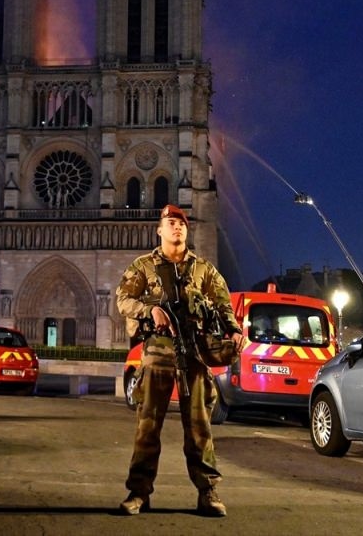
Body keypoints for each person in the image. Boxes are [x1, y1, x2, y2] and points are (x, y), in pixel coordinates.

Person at [116, 204, 246, 517]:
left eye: (182, 224)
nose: (177, 228)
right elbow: (123, 299)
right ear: (159, 230)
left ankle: (208, 492)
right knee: (148, 428)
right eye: (171, 223)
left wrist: (234, 329)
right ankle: (139, 493)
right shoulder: (143, 267)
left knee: (200, 428)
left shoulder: (203, 269)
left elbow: (222, 302)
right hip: (158, 355)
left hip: (195, 354)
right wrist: (151, 311)